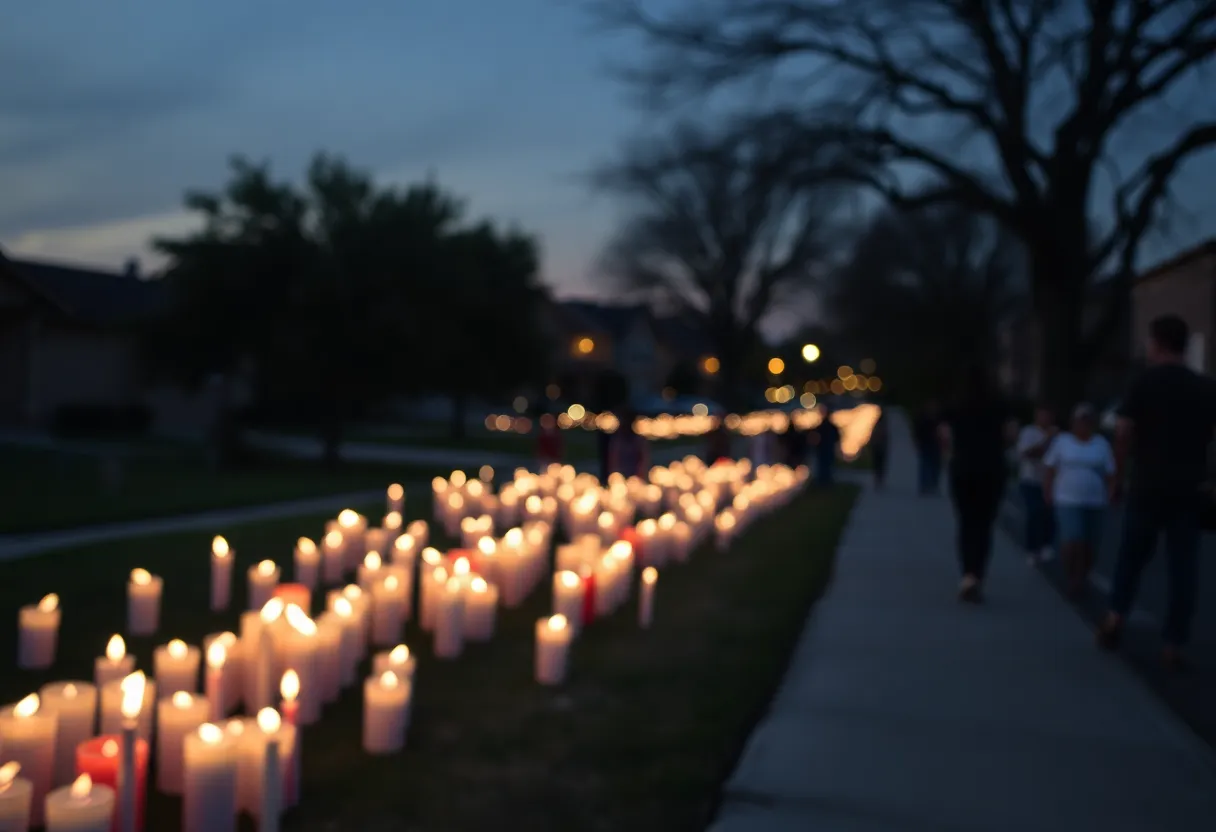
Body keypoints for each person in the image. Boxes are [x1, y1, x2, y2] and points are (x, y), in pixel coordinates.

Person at [1098, 314, 1216, 670]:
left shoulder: (1144, 384)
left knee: (1132, 558)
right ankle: (1172, 644)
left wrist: (1117, 478)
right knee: (1183, 570)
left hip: (1148, 485)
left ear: (1158, 343)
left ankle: (1116, 617)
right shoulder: (1206, 388)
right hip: (1188, 489)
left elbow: (1123, 432)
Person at [940, 366, 1013, 603]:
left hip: (963, 468)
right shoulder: (999, 405)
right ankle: (978, 575)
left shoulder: (955, 406)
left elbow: (943, 435)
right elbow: (1010, 435)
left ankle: (967, 574)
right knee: (984, 525)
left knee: (966, 522)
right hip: (992, 469)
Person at [1042, 404, 1115, 597]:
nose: (1083, 425)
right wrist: (1047, 490)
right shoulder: (1062, 442)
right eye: (1079, 421)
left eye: (1087, 421)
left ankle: (1083, 575)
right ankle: (1071, 577)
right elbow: (1050, 467)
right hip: (1067, 499)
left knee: (1090, 544)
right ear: (1073, 423)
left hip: (1095, 501)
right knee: (1073, 540)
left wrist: (1112, 491)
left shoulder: (1101, 444)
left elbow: (1110, 472)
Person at [1015, 404, 1058, 565]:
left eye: (1048, 415)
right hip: (1030, 480)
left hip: (1050, 481)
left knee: (1049, 515)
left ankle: (1046, 544)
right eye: (1042, 415)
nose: (1045, 418)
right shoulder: (1029, 432)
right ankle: (1032, 549)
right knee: (1034, 513)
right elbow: (1028, 453)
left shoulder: (1057, 434)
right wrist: (1047, 439)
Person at [608, 409, 650, 478]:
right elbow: (613, 459)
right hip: (620, 476)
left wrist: (641, 474)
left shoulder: (639, 440)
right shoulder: (617, 440)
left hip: (635, 476)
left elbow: (643, 459)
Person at [914, 401, 943, 495]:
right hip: (926, 444)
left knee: (935, 465)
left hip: (935, 444)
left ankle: (933, 484)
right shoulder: (923, 419)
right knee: (926, 464)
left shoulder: (937, 419)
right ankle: (925, 485)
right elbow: (918, 432)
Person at [813, 404, 840, 486]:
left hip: (823, 449)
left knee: (823, 466)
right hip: (828, 449)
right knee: (828, 466)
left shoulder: (821, 427)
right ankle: (826, 482)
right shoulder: (832, 427)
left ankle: (823, 482)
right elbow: (837, 438)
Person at [870, 411, 890, 489]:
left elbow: (872, 438)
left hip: (876, 447)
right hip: (881, 448)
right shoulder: (884, 427)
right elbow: (886, 439)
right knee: (881, 465)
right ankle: (880, 480)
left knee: (877, 464)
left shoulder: (875, 426)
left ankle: (877, 480)